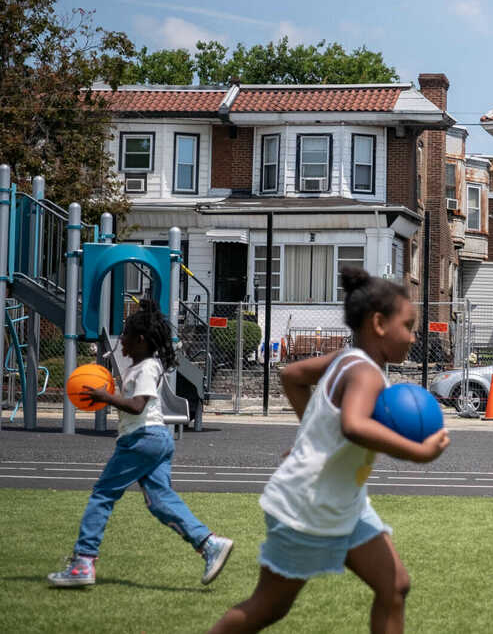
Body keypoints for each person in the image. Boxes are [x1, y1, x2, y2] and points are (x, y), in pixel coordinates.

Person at [208, 268, 449, 634]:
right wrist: (418, 453)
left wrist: (311, 437)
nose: (414, 337)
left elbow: (292, 375)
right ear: (380, 323)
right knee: (268, 608)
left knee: (395, 585)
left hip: (344, 503)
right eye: (409, 326)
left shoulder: (346, 358)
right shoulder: (366, 373)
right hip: (307, 506)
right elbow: (354, 425)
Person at [47, 299, 234, 588]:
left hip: (141, 438)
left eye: (126, 337)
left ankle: (83, 562)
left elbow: (136, 406)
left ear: (141, 340)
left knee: (102, 494)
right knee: (160, 500)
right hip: (155, 438)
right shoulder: (141, 366)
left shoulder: (147, 367)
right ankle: (209, 544)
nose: (122, 342)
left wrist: (105, 397)